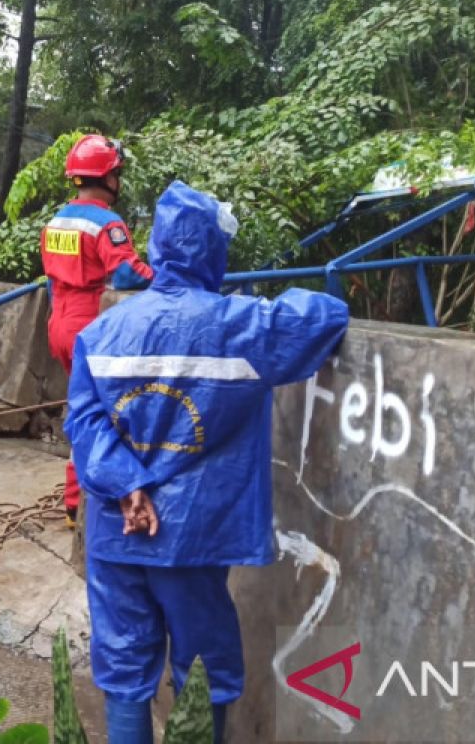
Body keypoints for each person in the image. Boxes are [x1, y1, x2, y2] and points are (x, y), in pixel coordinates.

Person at [64, 181, 349, 744]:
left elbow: (84, 423)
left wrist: (128, 486)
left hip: (117, 532)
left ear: (159, 247)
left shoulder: (99, 333)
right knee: (203, 675)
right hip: (190, 540)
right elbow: (325, 316)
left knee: (124, 672)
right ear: (213, 251)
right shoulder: (240, 327)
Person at [41, 134, 153, 524]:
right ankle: (91, 499)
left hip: (59, 322)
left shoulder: (57, 220)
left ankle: (75, 501)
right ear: (107, 177)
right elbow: (125, 272)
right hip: (89, 326)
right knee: (103, 417)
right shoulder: (107, 222)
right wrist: (160, 277)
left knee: (81, 410)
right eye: (117, 175)